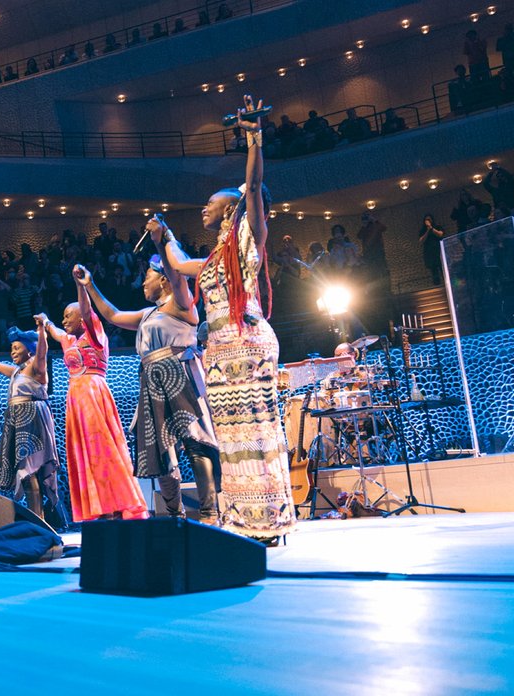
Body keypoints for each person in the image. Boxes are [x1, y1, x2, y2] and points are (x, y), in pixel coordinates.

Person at [160, 95, 296, 544]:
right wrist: (164, 237)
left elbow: (254, 188)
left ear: (230, 209)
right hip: (219, 350)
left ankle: (270, 518)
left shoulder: (246, 242)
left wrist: (253, 138)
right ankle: (246, 517)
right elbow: (177, 264)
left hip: (247, 341)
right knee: (233, 440)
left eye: (210, 203)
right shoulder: (216, 257)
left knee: (256, 431)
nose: (204, 208)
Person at [79, 219, 221, 522]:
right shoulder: (147, 313)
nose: (143, 283)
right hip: (152, 379)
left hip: (179, 373)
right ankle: (174, 514)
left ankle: (209, 512)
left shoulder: (182, 305)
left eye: (148, 277)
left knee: (195, 440)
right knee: (160, 451)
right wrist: (89, 284)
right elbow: (112, 315)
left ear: (164, 281)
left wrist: (160, 242)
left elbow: (177, 273)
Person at [37, 272, 147, 522]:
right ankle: (99, 506)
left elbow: (87, 312)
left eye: (68, 315)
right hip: (75, 399)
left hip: (93, 394)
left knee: (103, 449)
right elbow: (55, 331)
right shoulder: (70, 341)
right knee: (85, 452)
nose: (64, 320)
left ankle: (119, 502)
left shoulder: (95, 336)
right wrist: (45, 321)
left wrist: (80, 286)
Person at [0, 324, 64, 528]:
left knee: (31, 471)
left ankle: (39, 523)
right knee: (26, 472)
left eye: (17, 348)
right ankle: (37, 521)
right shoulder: (16, 372)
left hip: (32, 420)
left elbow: (42, 352)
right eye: (11, 348)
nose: (12, 351)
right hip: (17, 421)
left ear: (29, 350)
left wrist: (40, 330)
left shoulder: (37, 368)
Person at [419, 214, 446, 285]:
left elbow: (440, 234)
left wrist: (431, 228)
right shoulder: (423, 230)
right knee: (434, 270)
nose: (428, 221)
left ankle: (447, 283)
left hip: (439, 251)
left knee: (442, 268)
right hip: (429, 253)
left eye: (429, 219)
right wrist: (428, 230)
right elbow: (421, 241)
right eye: (426, 220)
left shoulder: (437, 227)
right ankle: (437, 284)